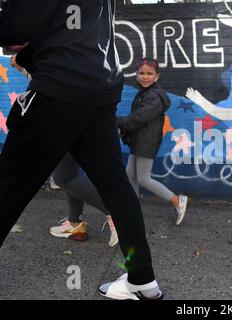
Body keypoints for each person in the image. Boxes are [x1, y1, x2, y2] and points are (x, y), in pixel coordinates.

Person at [0, 0, 162, 300]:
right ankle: (142, 279)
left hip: (59, 85)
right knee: (116, 186)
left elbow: (12, 31)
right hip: (100, 87)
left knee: (7, 186)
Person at [9, 54, 118, 246]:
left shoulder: (57, 48)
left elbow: (51, 86)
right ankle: (74, 222)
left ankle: (116, 213)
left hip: (66, 120)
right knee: (70, 175)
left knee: (63, 178)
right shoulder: (73, 47)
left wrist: (24, 67)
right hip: (76, 118)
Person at [117, 58, 188, 225]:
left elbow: (138, 119)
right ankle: (133, 210)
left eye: (149, 73)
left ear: (157, 76)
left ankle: (177, 200)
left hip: (146, 142)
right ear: (137, 75)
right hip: (139, 140)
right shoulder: (144, 94)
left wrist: (113, 120)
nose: (145, 77)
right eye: (142, 73)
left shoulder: (154, 97)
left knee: (143, 178)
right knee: (130, 175)